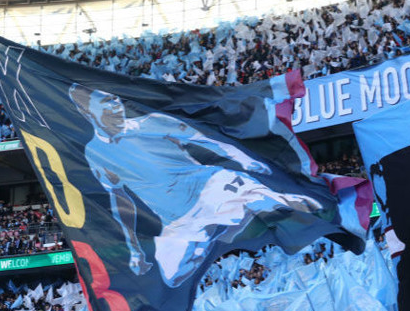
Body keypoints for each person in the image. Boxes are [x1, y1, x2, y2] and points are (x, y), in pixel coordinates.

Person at [68, 83, 322, 288]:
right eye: (106, 101)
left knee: (287, 205)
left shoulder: (150, 123)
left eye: (114, 98)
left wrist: (244, 160)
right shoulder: (96, 153)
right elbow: (121, 202)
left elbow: (205, 137)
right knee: (173, 278)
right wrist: (133, 249)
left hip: (210, 187)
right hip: (179, 220)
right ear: (88, 112)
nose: (116, 103)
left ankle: (269, 200)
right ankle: (219, 228)